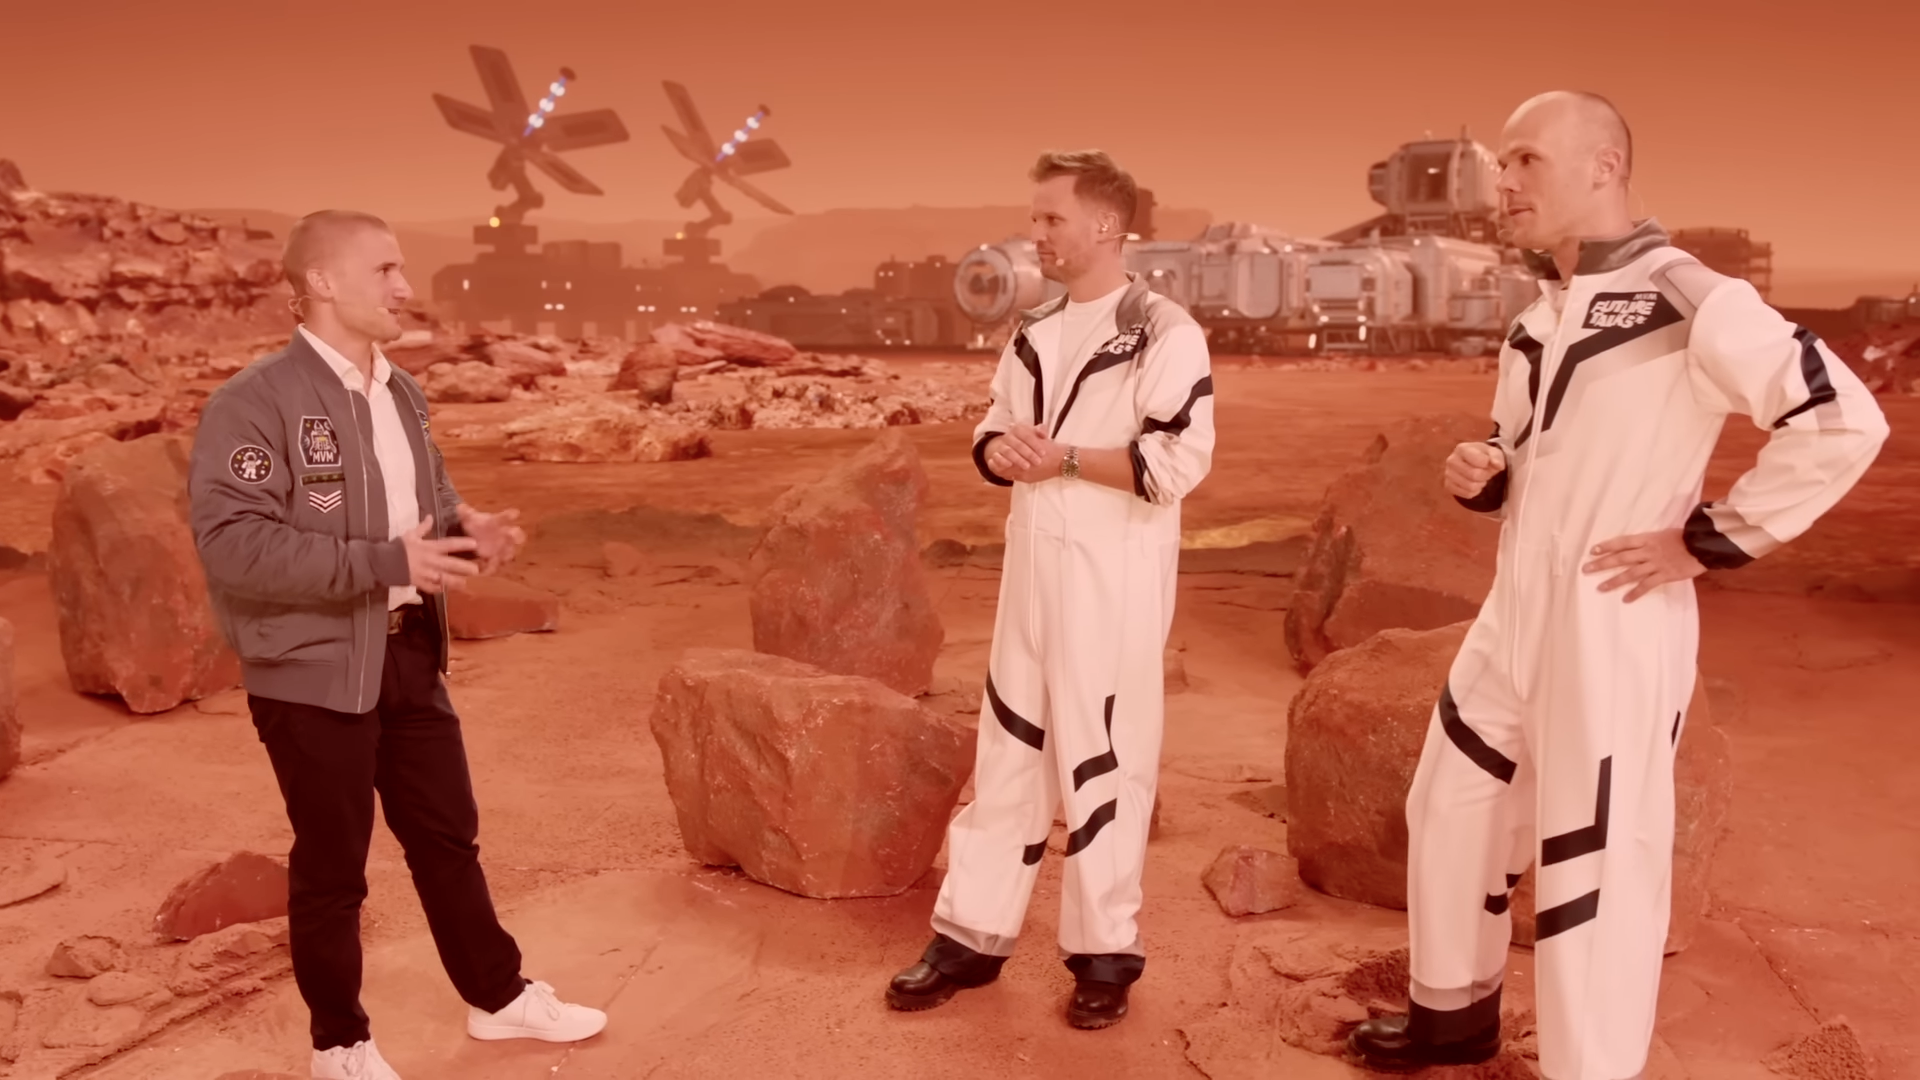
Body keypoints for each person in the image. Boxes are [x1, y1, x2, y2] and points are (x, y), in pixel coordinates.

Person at [1347, 93, 1889, 1079]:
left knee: (1595, 855)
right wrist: (1490, 472)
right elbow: (1525, 450)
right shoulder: (1539, 313)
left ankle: (1587, 1068)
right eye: (1502, 164)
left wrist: (1709, 540)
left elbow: (1842, 418)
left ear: (1603, 166)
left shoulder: (1690, 297)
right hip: (1514, 611)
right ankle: (1451, 1017)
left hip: (1615, 619)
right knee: (1452, 802)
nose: (1503, 182)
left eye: (1526, 160)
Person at [189, 210, 608, 1080]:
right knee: (334, 868)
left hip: (408, 653)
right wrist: (386, 561)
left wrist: (467, 530)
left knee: (447, 838)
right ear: (322, 282)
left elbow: (426, 507)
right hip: (309, 673)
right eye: (385, 270)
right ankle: (339, 1044)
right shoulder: (253, 403)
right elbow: (232, 545)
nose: (405, 288)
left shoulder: (401, 392)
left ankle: (497, 998)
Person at [884, 151, 1216, 1029]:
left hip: (1114, 582)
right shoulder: (1033, 330)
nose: (1034, 234)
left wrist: (1063, 459)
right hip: (1030, 576)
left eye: (1050, 218)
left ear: (1105, 225)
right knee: (1008, 752)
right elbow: (995, 427)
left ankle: (1104, 955)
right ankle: (970, 936)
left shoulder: (1164, 331)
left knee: (1104, 763)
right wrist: (1000, 452)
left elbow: (1176, 461)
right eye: (1034, 218)